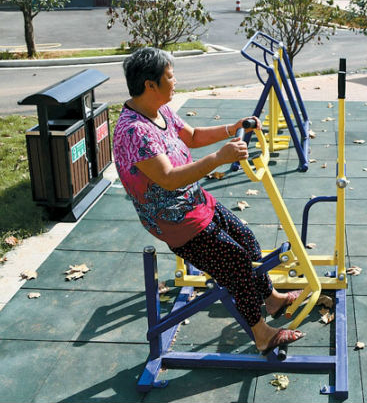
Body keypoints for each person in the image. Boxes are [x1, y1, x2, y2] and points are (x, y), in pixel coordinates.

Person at [112, 47, 304, 354]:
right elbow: (170, 178)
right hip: (174, 221)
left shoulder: (157, 110)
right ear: (151, 84)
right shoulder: (134, 131)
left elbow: (192, 136)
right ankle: (262, 333)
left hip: (193, 200)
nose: (175, 82)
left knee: (247, 240)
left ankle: (272, 299)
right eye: (170, 77)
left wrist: (235, 127)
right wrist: (218, 158)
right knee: (236, 262)